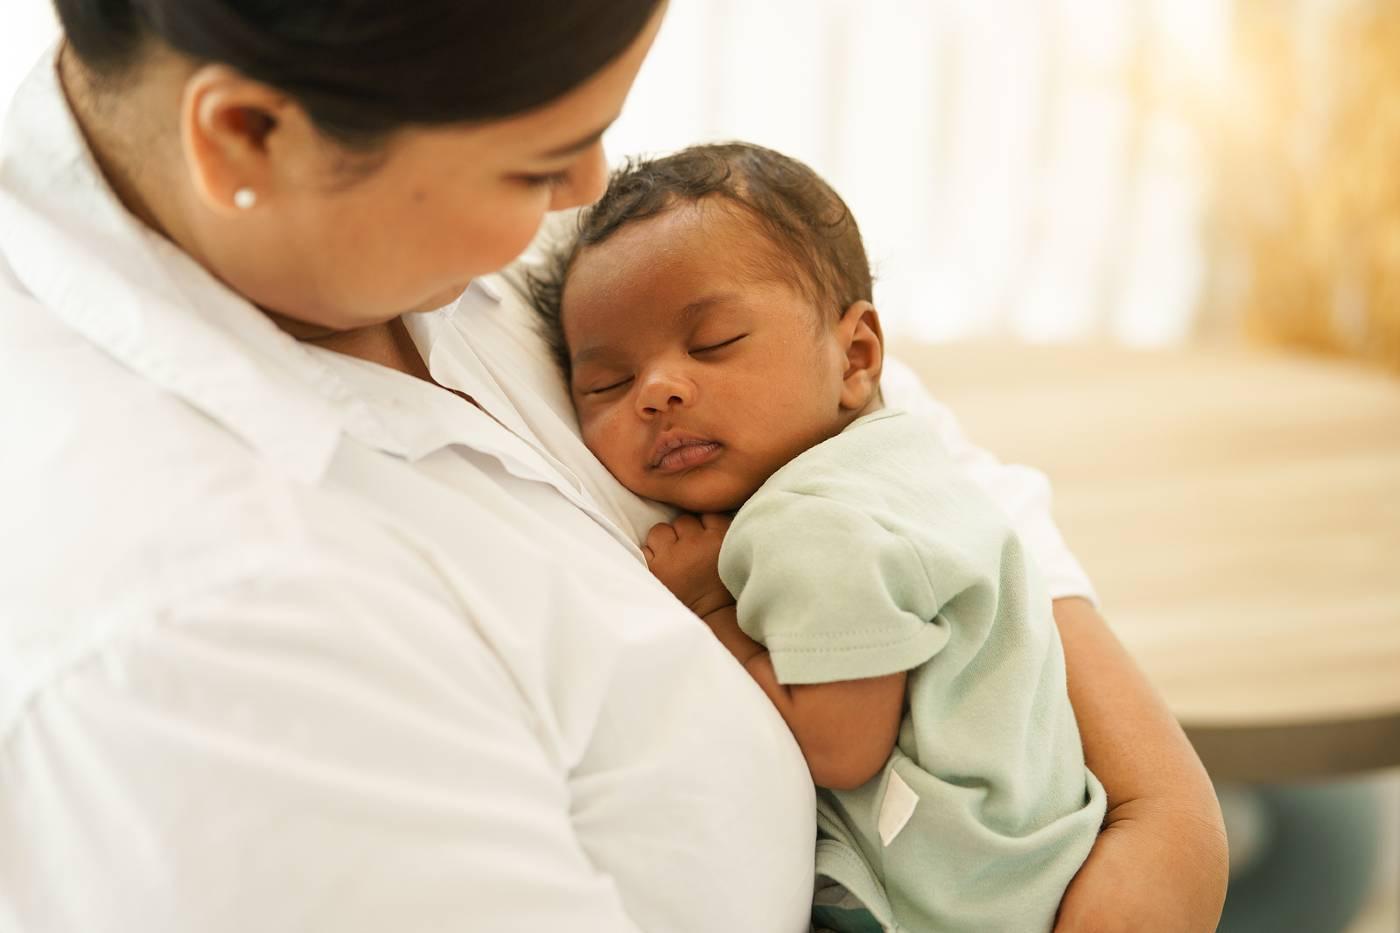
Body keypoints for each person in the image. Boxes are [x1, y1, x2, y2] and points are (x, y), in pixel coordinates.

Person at [0, 3, 1227, 931]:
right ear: (249, 136)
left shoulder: (364, 194)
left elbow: (866, 423)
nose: (582, 191)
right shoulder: (192, 630)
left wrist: (1155, 809)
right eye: (539, 162)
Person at [529, 142, 1107, 932]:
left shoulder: (812, 518)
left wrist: (712, 608)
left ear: (855, 357)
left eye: (713, 343)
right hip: (1027, 859)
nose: (657, 390)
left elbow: (841, 746)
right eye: (608, 382)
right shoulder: (896, 457)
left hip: (952, 900)